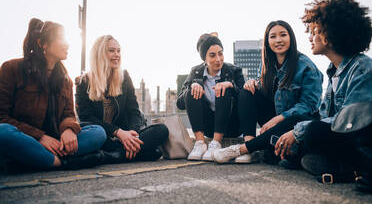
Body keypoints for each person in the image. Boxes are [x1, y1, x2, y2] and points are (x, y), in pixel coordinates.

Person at [275, 0, 372, 191]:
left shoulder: (362, 68)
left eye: (314, 31)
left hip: (362, 141)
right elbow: (327, 117)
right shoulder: (333, 71)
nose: (310, 37)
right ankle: (341, 167)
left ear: (331, 33)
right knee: (303, 126)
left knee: (310, 132)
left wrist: (299, 132)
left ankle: (356, 168)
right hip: (346, 138)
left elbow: (349, 122)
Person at [0, 18, 107, 171]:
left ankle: (40, 159)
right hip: (28, 139)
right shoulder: (12, 69)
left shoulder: (65, 80)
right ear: (43, 45)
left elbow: (68, 115)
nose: (67, 44)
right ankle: (62, 162)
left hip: (56, 141)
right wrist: (40, 137)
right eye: (61, 39)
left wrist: (68, 130)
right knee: (2, 131)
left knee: (98, 132)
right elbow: (2, 117)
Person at [212, 20, 323, 164]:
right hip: (273, 119)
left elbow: (310, 106)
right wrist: (254, 83)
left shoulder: (306, 67)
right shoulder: (266, 64)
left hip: (293, 122)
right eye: (273, 36)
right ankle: (250, 143)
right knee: (246, 91)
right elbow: (266, 92)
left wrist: (279, 118)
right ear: (267, 41)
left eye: (283, 35)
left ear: (291, 38)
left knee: (297, 119)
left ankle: (243, 149)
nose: (278, 40)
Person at [76, 35, 169, 163]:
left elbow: (134, 111)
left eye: (118, 51)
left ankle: (112, 155)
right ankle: (129, 152)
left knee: (161, 130)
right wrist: (117, 132)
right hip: (104, 137)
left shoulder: (124, 77)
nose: (117, 55)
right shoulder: (84, 82)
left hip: (125, 135)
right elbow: (86, 118)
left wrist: (132, 134)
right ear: (100, 54)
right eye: (111, 50)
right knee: (153, 152)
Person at [177, 33, 245, 161]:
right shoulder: (195, 71)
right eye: (212, 55)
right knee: (193, 90)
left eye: (221, 53)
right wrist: (192, 85)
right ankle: (200, 144)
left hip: (231, 125)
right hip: (208, 127)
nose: (218, 59)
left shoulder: (234, 70)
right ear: (204, 58)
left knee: (223, 88)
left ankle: (216, 143)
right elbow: (180, 103)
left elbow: (246, 98)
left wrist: (230, 85)